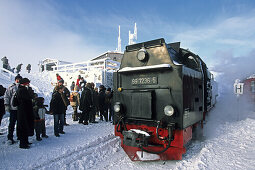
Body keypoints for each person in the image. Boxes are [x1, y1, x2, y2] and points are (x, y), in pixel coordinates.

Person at [14, 78, 34, 149]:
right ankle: (23, 144)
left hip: (23, 111)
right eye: (28, 83)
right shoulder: (22, 90)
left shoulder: (20, 90)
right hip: (24, 111)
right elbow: (28, 98)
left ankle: (25, 141)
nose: (28, 84)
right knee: (23, 127)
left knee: (25, 126)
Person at [4, 74, 22, 144]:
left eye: (19, 79)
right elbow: (7, 96)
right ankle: (10, 137)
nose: (18, 80)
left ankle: (19, 136)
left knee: (20, 123)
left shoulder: (22, 87)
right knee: (12, 123)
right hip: (13, 108)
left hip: (20, 109)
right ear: (15, 80)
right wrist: (7, 105)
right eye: (17, 79)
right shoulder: (11, 87)